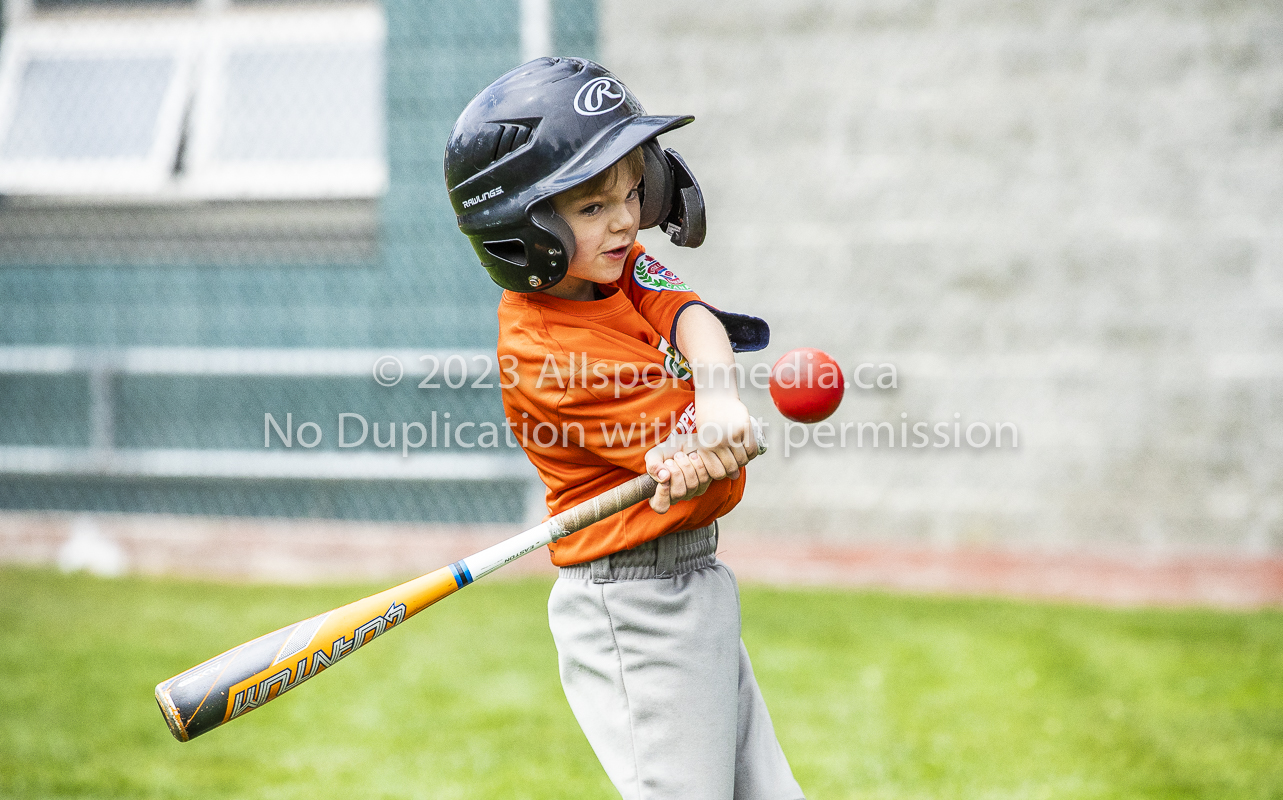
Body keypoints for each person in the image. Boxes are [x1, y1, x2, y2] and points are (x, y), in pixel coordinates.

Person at [444, 57, 804, 800]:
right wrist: (693, 444)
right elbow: (679, 447)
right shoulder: (547, 352)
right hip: (632, 603)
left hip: (693, 576)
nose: (624, 220)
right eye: (590, 207)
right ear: (523, 230)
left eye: (631, 192)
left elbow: (687, 313)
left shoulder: (612, 267)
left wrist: (715, 395)